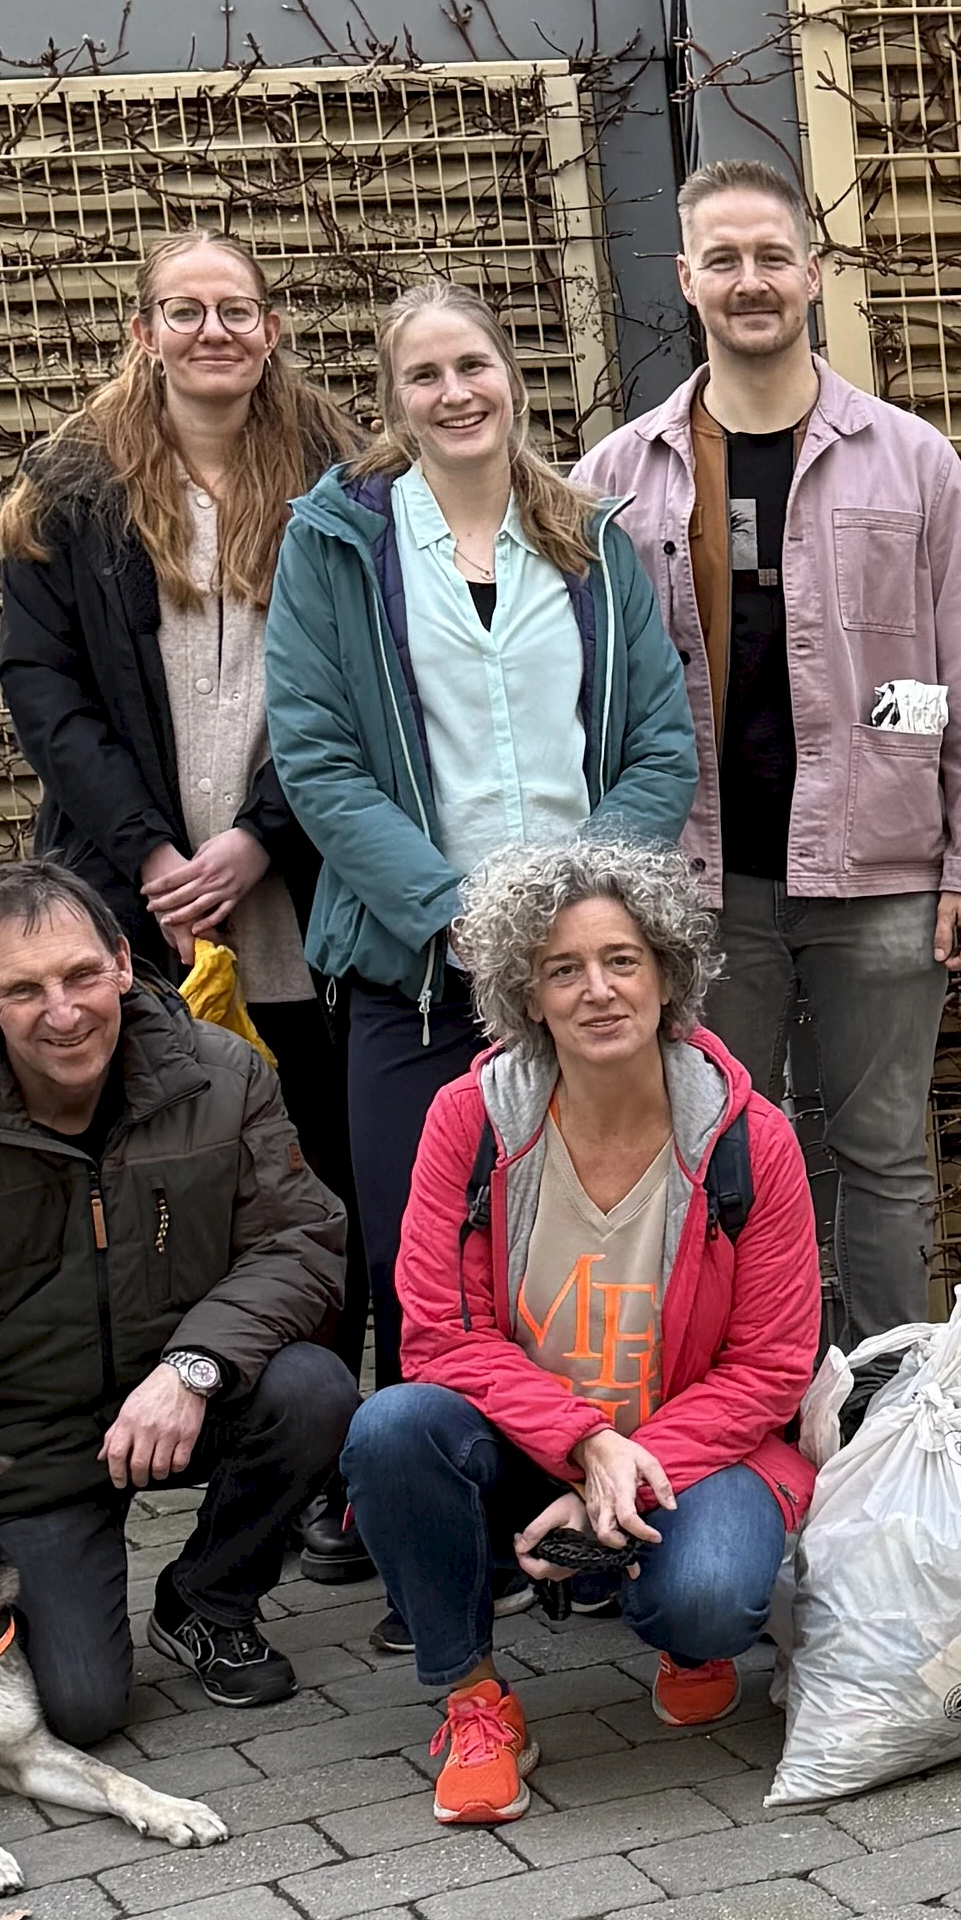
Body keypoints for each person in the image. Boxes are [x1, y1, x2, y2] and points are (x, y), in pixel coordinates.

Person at [573, 162, 961, 1348]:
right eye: (722, 259)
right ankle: (756, 1392)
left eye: (772, 256)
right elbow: (575, 689)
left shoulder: (911, 461)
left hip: (882, 873)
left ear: (813, 275)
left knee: (881, 1150)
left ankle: (888, 1389)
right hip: (697, 884)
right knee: (717, 1149)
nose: (750, 280)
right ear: (685, 282)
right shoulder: (618, 478)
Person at [0, 227, 370, 1578]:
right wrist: (155, 854)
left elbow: (360, 684)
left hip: (306, 882)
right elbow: (47, 694)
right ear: (142, 330)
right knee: (158, 1181)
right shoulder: (70, 492)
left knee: (329, 1181)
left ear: (271, 328)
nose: (215, 330)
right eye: (185, 309)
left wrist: (261, 838)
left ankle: (334, 1475)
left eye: (239, 308)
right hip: (134, 898)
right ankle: (125, 1455)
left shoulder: (342, 470)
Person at [263, 280, 692, 1412]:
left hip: (582, 968)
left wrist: (581, 921)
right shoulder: (336, 544)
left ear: (510, 377)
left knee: (580, 1250)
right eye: (425, 376)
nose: (456, 393)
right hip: (417, 970)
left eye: (474, 366)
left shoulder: (589, 538)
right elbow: (317, 760)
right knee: (421, 1251)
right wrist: (456, 915)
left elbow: (657, 744)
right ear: (394, 402)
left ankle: (575, 1488)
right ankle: (426, 1505)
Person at [0, 862, 353, 1729]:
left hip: (183, 1404)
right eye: (24, 989)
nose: (64, 1011)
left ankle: (206, 1599)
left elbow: (301, 1240)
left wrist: (193, 1367)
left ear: (124, 964)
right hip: (24, 1447)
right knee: (83, 1706)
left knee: (315, 1388)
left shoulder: (226, 1076)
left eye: (82, 975)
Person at [338, 832, 822, 1827]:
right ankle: (475, 1704)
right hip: (528, 1439)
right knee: (390, 1428)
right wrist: (586, 1445)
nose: (597, 991)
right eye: (564, 970)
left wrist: (633, 1461)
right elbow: (438, 1338)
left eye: (621, 961)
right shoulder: (467, 1121)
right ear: (528, 995)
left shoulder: (748, 1137)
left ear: (667, 976)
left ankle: (683, 1642)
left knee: (712, 1596)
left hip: (691, 1442)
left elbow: (772, 1365)